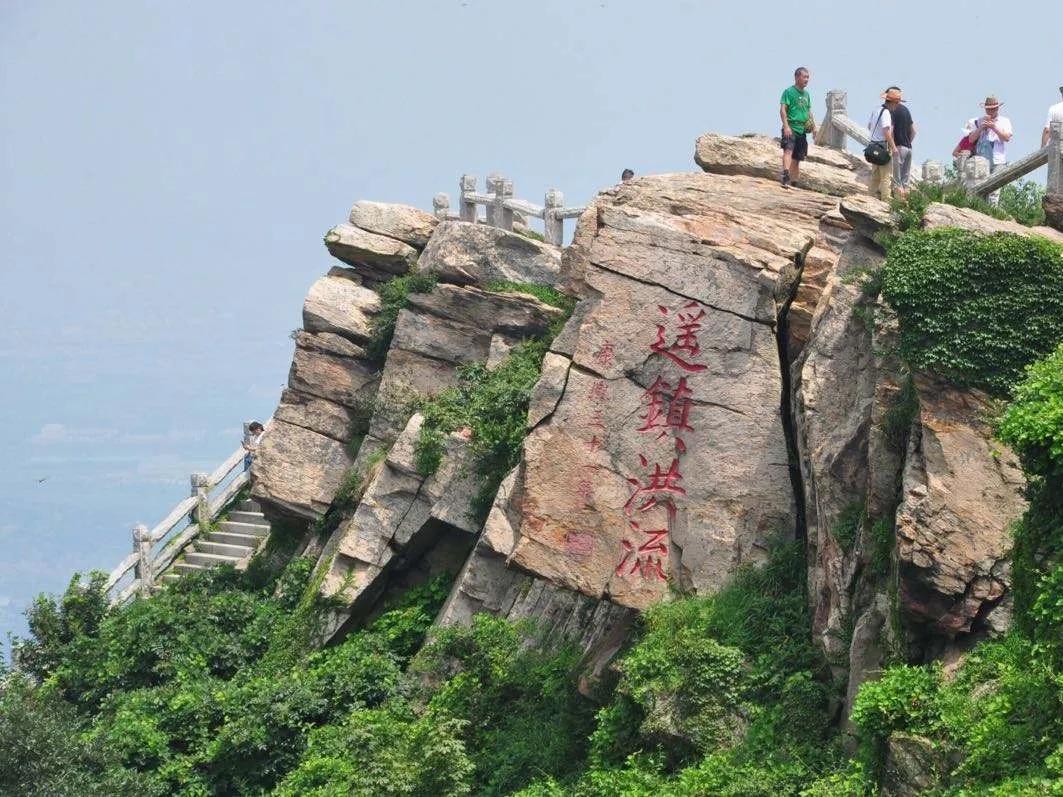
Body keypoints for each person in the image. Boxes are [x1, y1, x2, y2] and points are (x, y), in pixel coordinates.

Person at [965, 96, 1012, 204]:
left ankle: (992, 213)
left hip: (998, 161)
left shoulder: (1005, 121)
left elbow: (1007, 137)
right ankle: (978, 210)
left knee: (994, 191)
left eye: (993, 108)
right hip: (980, 161)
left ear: (998, 109)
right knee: (978, 188)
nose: (991, 111)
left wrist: (994, 127)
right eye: (988, 108)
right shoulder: (976, 121)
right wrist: (981, 127)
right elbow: (971, 139)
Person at [779, 67, 816, 188]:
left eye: (808, 77)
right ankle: (785, 176)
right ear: (797, 77)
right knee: (788, 151)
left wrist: (814, 127)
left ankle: (794, 182)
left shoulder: (807, 94)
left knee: (798, 157)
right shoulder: (789, 92)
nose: (807, 79)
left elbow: (809, 111)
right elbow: (783, 109)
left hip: (802, 130)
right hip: (791, 127)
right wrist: (786, 126)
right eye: (804, 77)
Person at [884, 87, 915, 197]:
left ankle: (897, 204)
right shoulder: (906, 110)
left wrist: (894, 147)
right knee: (905, 182)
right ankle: (906, 204)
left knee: (897, 181)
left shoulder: (891, 111)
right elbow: (914, 131)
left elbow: (890, 131)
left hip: (898, 148)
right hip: (908, 148)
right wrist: (907, 143)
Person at [867, 91, 897, 202]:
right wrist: (893, 147)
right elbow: (886, 131)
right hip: (883, 147)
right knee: (886, 176)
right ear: (893, 102)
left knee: (875, 176)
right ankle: (886, 200)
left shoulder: (876, 110)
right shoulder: (886, 113)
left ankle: (869, 198)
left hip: (873, 146)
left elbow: (869, 126)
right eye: (897, 103)